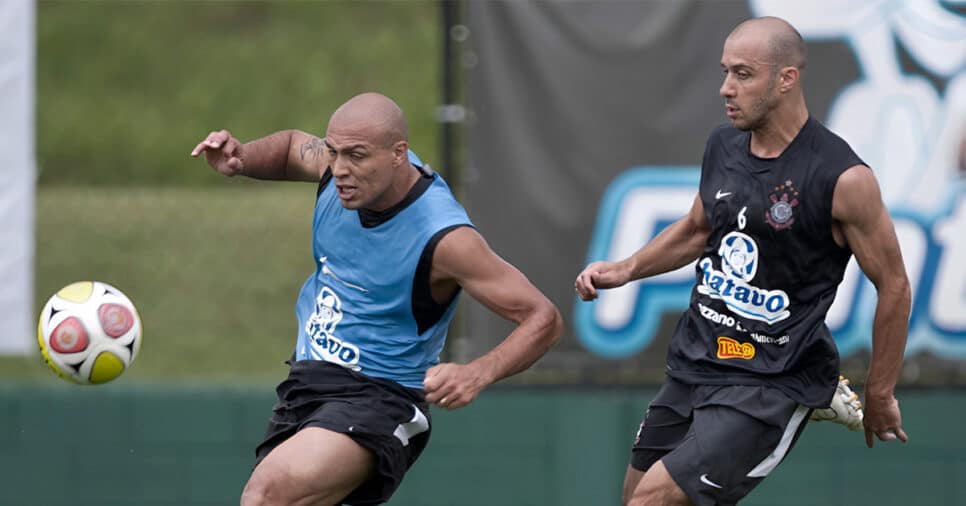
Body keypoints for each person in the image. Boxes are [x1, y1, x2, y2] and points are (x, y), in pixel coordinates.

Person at [575, 17, 909, 506]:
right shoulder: (724, 144)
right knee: (632, 499)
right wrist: (625, 269)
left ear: (786, 79)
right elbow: (697, 228)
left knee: (650, 502)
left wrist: (880, 394)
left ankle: (816, 390)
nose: (725, 88)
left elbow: (895, 285)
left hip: (769, 382)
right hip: (697, 360)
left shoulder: (843, 178)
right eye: (725, 72)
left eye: (743, 74)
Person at [190, 92, 563, 506]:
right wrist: (242, 158)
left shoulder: (446, 238)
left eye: (357, 156)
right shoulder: (336, 170)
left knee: (267, 496)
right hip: (307, 384)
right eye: (334, 153)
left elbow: (542, 318)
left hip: (380, 399)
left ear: (398, 154)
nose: (341, 169)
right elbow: (294, 146)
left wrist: (478, 373)